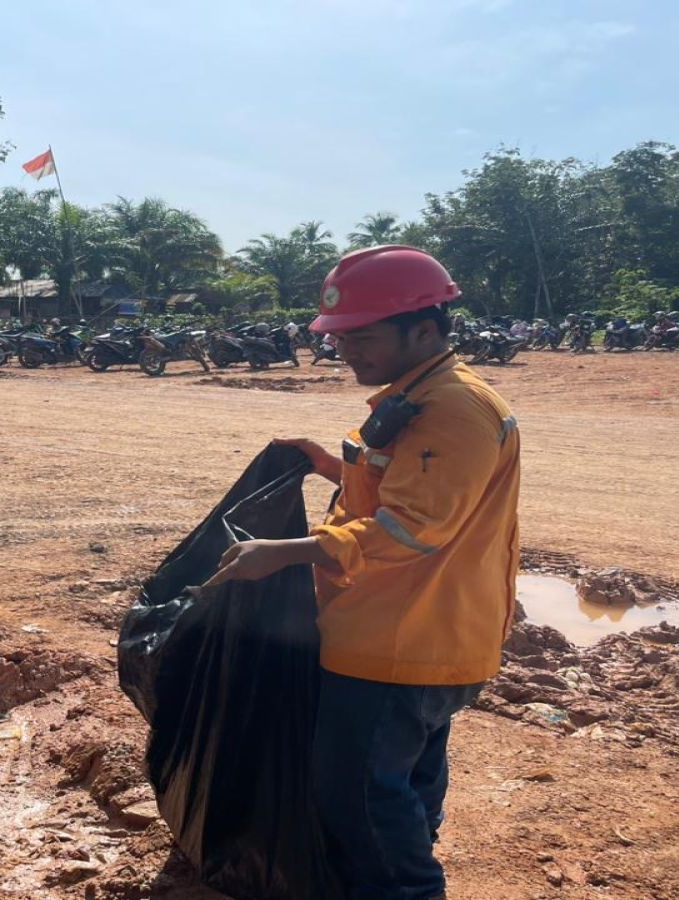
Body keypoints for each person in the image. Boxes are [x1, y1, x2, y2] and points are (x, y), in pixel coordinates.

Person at [207, 245, 520, 900]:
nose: (344, 349)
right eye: (340, 336)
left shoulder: (452, 410)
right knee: (404, 781)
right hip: (416, 631)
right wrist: (327, 465)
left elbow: (412, 529)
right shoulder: (419, 394)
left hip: (399, 640)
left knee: (360, 796)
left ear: (424, 331)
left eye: (363, 337)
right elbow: (394, 492)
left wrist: (286, 551)